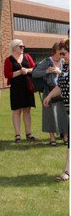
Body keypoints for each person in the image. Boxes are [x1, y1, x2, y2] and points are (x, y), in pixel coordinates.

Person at [42, 44, 70, 181]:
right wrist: (49, 96)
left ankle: (67, 171)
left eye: (64, 54)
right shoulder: (65, 66)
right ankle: (68, 171)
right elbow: (60, 85)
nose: (62, 57)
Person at [34, 41, 69, 145]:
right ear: (54, 52)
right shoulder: (47, 61)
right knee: (49, 115)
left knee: (64, 114)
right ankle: (52, 139)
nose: (62, 55)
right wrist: (47, 71)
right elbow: (35, 73)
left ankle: (65, 137)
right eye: (60, 53)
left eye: (63, 53)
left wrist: (59, 71)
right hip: (49, 90)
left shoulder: (64, 62)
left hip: (62, 91)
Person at [3, 39, 37, 141]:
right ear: (14, 47)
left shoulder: (27, 56)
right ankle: (17, 135)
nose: (22, 48)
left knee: (27, 110)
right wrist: (19, 72)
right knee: (17, 111)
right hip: (16, 88)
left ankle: (28, 133)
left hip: (27, 87)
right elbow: (7, 74)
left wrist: (27, 70)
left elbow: (34, 68)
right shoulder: (8, 60)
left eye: (23, 46)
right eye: (20, 46)